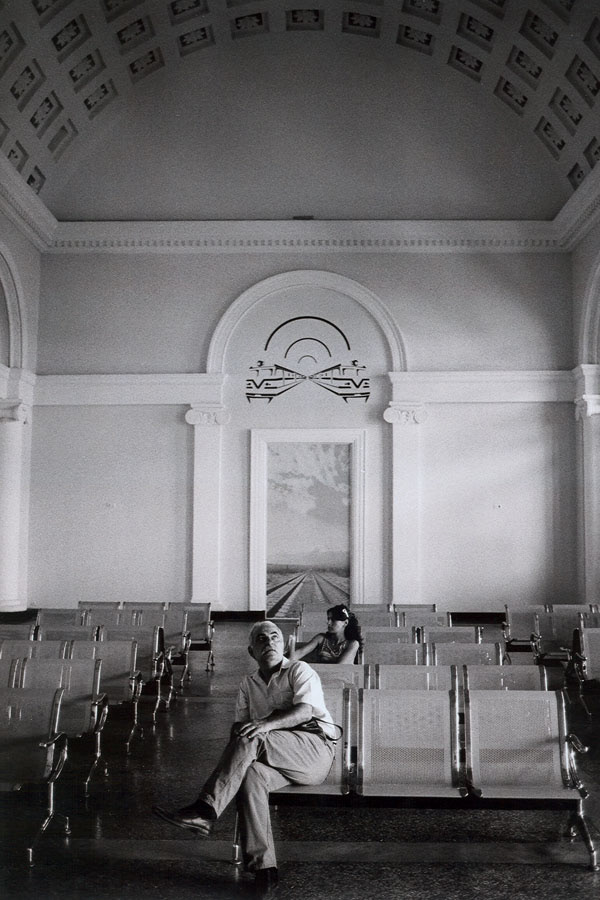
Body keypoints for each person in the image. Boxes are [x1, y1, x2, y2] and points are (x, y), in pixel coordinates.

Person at [153, 620, 336, 895]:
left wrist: (264, 725)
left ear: (284, 645)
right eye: (261, 639)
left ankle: (205, 810)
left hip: (313, 751)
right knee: (251, 777)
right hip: (275, 756)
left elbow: (303, 713)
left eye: (275, 637)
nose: (269, 642)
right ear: (252, 651)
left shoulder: (299, 670)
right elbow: (239, 730)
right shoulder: (248, 684)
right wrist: (237, 763)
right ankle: (264, 868)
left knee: (255, 735)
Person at [289, 603, 363, 664]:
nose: (328, 623)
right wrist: (284, 662)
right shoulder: (321, 638)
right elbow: (301, 652)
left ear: (345, 623)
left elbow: (340, 668)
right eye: (328, 619)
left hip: (342, 680)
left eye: (333, 620)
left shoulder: (353, 644)